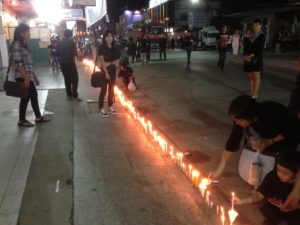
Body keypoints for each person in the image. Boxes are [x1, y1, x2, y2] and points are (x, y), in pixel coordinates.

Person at [208, 95, 294, 181]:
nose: (237, 123)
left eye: (239, 120)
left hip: (285, 141)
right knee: (257, 167)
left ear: (250, 116)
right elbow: (233, 141)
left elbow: (292, 129)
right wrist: (219, 169)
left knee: (278, 174)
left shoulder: (272, 113)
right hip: (265, 141)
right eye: (235, 120)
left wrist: (270, 141)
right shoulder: (241, 117)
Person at [236, 151, 300, 225]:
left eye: (285, 173)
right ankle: (273, 221)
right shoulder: (273, 176)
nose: (280, 175)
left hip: (295, 209)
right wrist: (241, 201)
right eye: (278, 170)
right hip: (276, 207)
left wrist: (295, 207)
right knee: (268, 210)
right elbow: (259, 195)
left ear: (297, 173)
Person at [11, 23, 50, 127]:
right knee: (26, 97)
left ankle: (37, 117)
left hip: (28, 76)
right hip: (22, 77)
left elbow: (29, 63)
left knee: (31, 96)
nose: (29, 34)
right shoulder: (17, 44)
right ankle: (22, 120)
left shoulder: (24, 44)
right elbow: (18, 63)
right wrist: (26, 78)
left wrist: (35, 77)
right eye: (28, 32)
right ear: (21, 33)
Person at [97, 30, 121, 117]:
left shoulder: (115, 47)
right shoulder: (101, 47)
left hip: (113, 71)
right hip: (104, 71)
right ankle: (100, 108)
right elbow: (103, 63)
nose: (109, 38)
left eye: (111, 36)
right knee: (103, 90)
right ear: (104, 38)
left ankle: (110, 105)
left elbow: (118, 61)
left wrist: (114, 63)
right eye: (107, 36)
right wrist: (110, 66)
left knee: (111, 89)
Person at [244, 19, 265, 99]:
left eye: (257, 25)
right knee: (251, 76)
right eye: (254, 25)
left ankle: (255, 94)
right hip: (248, 58)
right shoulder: (251, 35)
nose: (255, 27)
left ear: (260, 26)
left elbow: (260, 48)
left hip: (256, 58)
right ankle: (251, 93)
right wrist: (245, 55)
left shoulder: (262, 35)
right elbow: (246, 46)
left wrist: (250, 56)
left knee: (256, 76)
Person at [57, 29, 81, 102]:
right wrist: (78, 53)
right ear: (70, 35)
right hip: (70, 63)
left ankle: (69, 95)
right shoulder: (72, 43)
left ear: (64, 35)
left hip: (62, 64)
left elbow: (57, 53)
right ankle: (74, 95)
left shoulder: (59, 43)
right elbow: (74, 53)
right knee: (75, 79)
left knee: (67, 79)